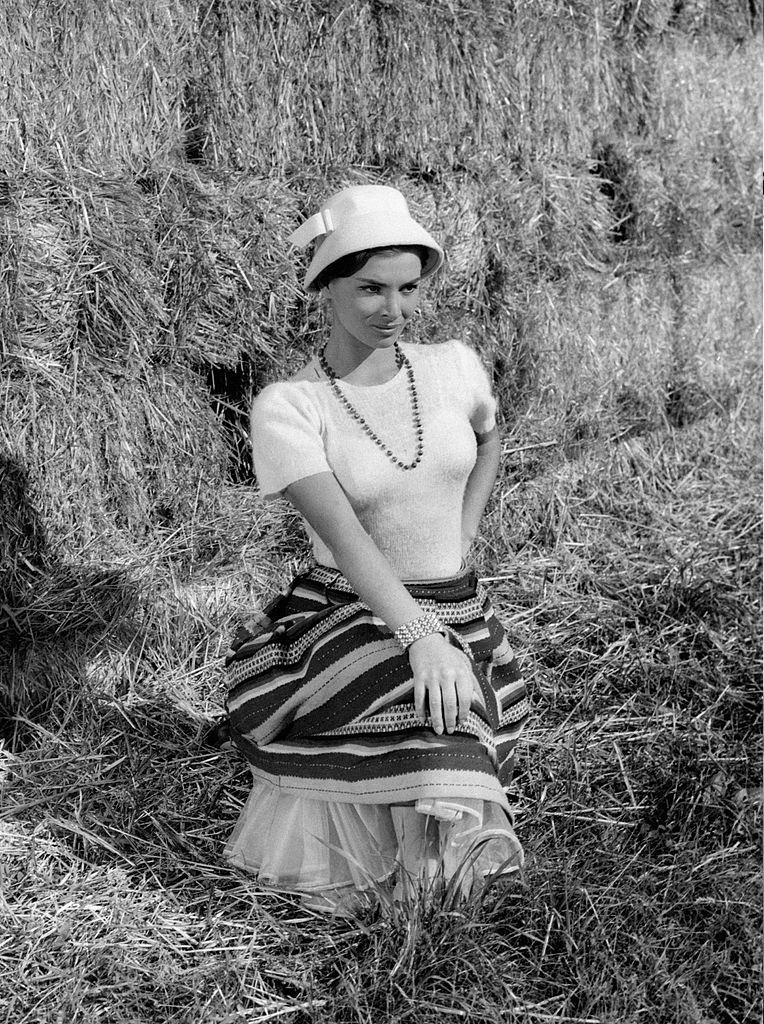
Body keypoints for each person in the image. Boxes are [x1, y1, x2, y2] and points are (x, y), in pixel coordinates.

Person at [223, 184, 530, 915]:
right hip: (348, 611)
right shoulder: (290, 407)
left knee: (448, 704)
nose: (391, 310)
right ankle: (411, 911)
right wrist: (422, 636)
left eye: (407, 288)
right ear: (323, 288)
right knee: (426, 711)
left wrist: (463, 535)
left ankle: (435, 896)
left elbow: (490, 438)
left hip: (456, 605)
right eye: (367, 288)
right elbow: (345, 536)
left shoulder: (455, 364)